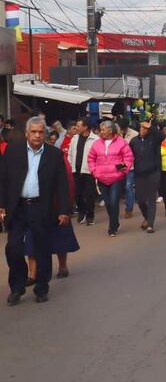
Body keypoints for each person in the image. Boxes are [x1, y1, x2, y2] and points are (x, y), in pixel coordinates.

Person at [1, 117, 70, 305]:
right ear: (26, 133)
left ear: (45, 134)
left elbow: (62, 185)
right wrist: (2, 206)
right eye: (34, 132)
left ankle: (41, 288)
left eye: (41, 132)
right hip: (18, 208)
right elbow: (3, 179)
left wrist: (64, 210)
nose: (37, 135)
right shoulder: (13, 151)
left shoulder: (54, 155)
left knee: (42, 249)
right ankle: (17, 287)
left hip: (42, 207)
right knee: (13, 248)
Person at [24, 130, 80, 285]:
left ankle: (62, 266)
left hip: (55, 204)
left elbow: (67, 182)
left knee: (60, 237)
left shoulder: (57, 156)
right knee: (31, 240)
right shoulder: (24, 156)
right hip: (32, 205)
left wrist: (66, 206)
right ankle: (32, 274)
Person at [88, 120, 134, 237]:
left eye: (103, 129)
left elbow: (128, 158)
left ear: (110, 130)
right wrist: (95, 171)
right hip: (102, 178)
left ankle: (112, 227)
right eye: (101, 129)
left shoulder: (121, 142)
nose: (101, 132)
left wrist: (121, 169)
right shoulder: (97, 144)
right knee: (108, 203)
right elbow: (91, 158)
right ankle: (115, 221)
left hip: (116, 178)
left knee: (114, 202)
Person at [129, 119, 162, 233]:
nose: (143, 130)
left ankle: (150, 224)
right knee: (140, 200)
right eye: (141, 128)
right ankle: (147, 218)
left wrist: (151, 127)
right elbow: (129, 156)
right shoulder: (134, 141)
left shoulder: (154, 139)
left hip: (153, 173)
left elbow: (161, 136)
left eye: (145, 129)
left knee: (151, 199)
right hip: (139, 174)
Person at [69, 118, 99, 226]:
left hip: (88, 171)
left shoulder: (95, 139)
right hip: (75, 171)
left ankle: (90, 215)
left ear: (85, 127)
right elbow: (70, 154)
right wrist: (70, 165)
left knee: (89, 195)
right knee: (77, 194)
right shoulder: (74, 138)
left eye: (78, 125)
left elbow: (98, 156)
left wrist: (95, 169)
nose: (76, 128)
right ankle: (82, 212)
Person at [116, 118, 137, 219]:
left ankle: (129, 209)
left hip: (130, 164)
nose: (122, 130)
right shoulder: (116, 133)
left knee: (128, 187)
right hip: (118, 164)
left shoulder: (134, 134)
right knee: (118, 186)